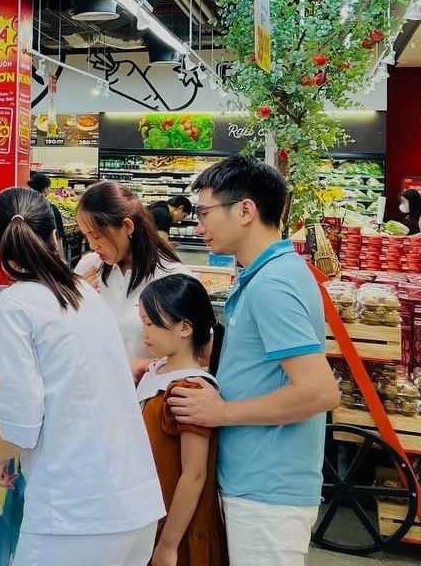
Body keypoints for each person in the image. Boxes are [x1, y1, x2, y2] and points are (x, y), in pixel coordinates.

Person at [167, 155, 340, 566]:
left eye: (206, 212)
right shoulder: (264, 274)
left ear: (245, 210)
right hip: (258, 479)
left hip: (268, 488)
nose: (198, 225)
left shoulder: (273, 283)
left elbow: (319, 392)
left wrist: (221, 411)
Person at [0, 186, 164, 566]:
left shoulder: (13, 306)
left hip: (76, 513)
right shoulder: (84, 293)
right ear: (55, 236)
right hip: (136, 500)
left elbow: (23, 413)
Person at [136, 274, 228, 566]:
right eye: (142, 322)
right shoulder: (158, 371)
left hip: (178, 529)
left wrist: (168, 544)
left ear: (185, 327)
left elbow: (194, 474)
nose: (144, 333)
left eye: (151, 324)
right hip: (153, 513)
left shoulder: (190, 388)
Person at [74, 181, 191, 362]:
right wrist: (72, 299)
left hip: (146, 388)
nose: (91, 245)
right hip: (92, 386)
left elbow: (198, 354)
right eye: (86, 236)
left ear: (127, 227)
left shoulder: (172, 276)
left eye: (97, 236)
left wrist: (148, 367)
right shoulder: (89, 267)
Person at [26, 172, 66, 257]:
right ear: (45, 189)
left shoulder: (23, 208)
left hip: (27, 255)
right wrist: (62, 261)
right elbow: (58, 238)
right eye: (49, 188)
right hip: (47, 257)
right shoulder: (51, 209)